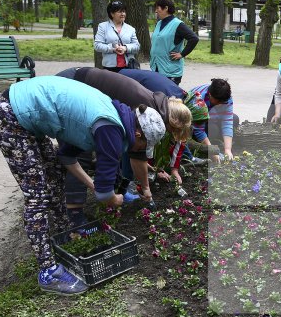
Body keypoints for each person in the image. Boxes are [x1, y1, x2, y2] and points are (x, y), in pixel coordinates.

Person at [0, 76, 165, 296]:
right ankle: (48, 271)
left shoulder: (112, 116)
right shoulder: (111, 129)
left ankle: (65, 236)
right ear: (138, 134)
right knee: (37, 195)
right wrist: (114, 199)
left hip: (22, 112)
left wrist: (94, 186)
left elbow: (66, 157)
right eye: (144, 145)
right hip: (9, 114)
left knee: (54, 176)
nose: (140, 150)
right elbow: (105, 195)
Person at [55, 67, 192, 213]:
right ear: (172, 122)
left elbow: (129, 148)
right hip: (71, 86)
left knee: (112, 147)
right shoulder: (148, 112)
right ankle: (75, 215)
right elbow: (137, 155)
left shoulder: (158, 105)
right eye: (172, 131)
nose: (169, 133)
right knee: (81, 153)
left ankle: (114, 192)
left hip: (82, 89)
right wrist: (146, 189)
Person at [151, 0, 200, 85]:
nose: (156, 11)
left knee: (170, 97)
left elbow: (194, 38)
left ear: (166, 8)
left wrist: (182, 54)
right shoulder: (159, 23)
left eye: (157, 8)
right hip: (156, 67)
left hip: (170, 71)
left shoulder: (178, 24)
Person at [94, 1, 139, 72]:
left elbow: (137, 46)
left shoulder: (131, 29)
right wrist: (113, 49)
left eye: (124, 12)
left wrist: (125, 48)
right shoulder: (103, 27)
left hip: (128, 67)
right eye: (119, 12)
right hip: (110, 67)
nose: (123, 14)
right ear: (112, 14)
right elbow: (97, 45)